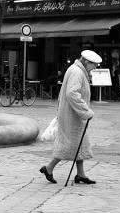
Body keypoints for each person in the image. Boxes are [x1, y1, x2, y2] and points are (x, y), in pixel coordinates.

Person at [40, 50, 102, 185]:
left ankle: (80, 174)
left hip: (74, 114)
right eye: (94, 65)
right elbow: (72, 93)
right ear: (86, 62)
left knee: (80, 143)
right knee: (69, 144)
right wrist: (85, 111)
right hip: (72, 114)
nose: (95, 68)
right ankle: (49, 167)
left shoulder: (78, 70)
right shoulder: (77, 72)